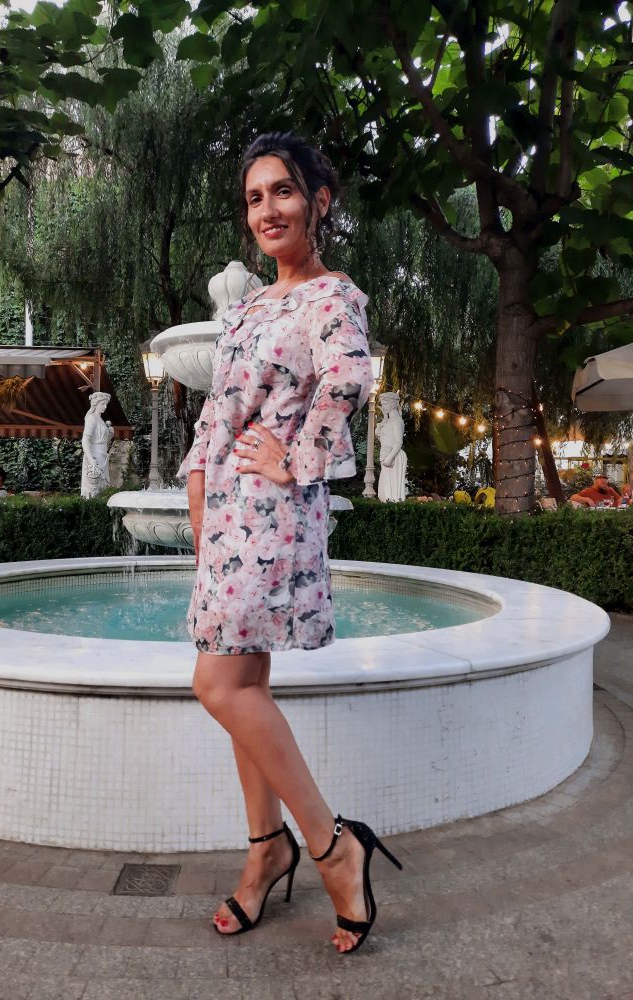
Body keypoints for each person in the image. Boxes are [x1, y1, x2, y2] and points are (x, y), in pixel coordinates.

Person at [178, 132, 402, 955]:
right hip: (224, 507)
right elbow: (219, 408)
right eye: (254, 197)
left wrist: (296, 461)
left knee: (218, 685)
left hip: (271, 512)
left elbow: (348, 380)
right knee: (245, 682)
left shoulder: (332, 297)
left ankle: (332, 845)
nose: (267, 209)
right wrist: (197, 485)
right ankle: (264, 849)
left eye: (282, 191)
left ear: (318, 201)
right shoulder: (245, 308)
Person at [81, 391, 114, 498]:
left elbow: (103, 442)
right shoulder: (92, 418)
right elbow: (85, 440)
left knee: (102, 488)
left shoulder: (101, 420)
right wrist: (91, 459)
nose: (105, 407)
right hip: (95, 456)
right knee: (93, 489)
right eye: (102, 404)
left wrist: (110, 434)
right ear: (96, 404)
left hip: (102, 456)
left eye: (106, 404)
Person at [376, 392, 407, 501]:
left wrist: (390, 458)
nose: (383, 406)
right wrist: (384, 418)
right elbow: (383, 440)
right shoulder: (389, 421)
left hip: (393, 456)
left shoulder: (397, 421)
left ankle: (394, 507)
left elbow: (399, 442)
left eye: (385, 403)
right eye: (382, 403)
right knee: (383, 493)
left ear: (393, 403)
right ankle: (390, 507)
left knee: (391, 492)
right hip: (386, 455)